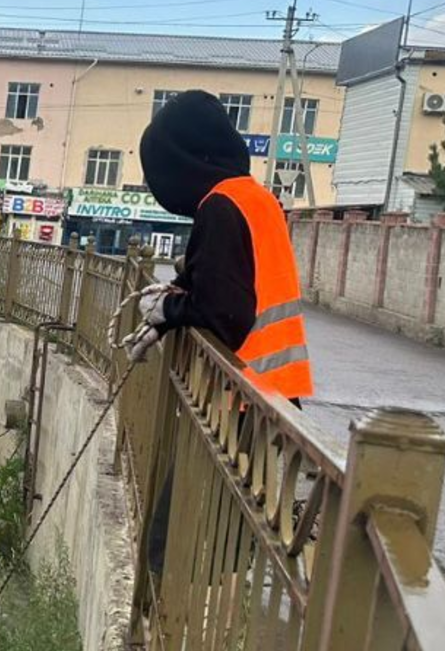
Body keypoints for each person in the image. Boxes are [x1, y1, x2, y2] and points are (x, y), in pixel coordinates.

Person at [125, 89, 316, 572]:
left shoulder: (220, 207)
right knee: (229, 532)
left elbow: (225, 312)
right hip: (272, 396)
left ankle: (173, 632)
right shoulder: (253, 199)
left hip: (241, 399)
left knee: (174, 545)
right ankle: (203, 613)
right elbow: (217, 279)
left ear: (182, 161)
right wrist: (168, 311)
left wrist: (170, 312)